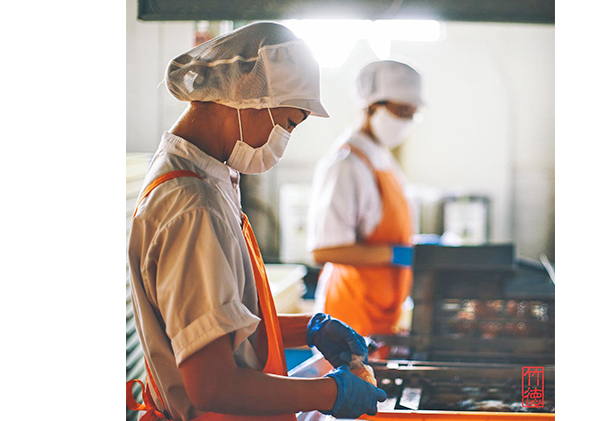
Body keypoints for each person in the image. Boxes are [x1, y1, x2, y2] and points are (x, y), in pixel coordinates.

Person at [126, 22, 386, 421]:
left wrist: (308, 328)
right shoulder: (192, 203)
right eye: (289, 121)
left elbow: (224, 329)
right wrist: (328, 393)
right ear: (247, 97)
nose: (285, 137)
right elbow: (212, 385)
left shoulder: (206, 177)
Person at [307, 60, 424, 337]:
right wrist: (396, 254)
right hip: (349, 317)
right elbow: (324, 251)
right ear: (372, 106)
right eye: (401, 111)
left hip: (379, 314)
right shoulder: (345, 165)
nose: (405, 121)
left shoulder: (381, 158)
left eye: (412, 114)